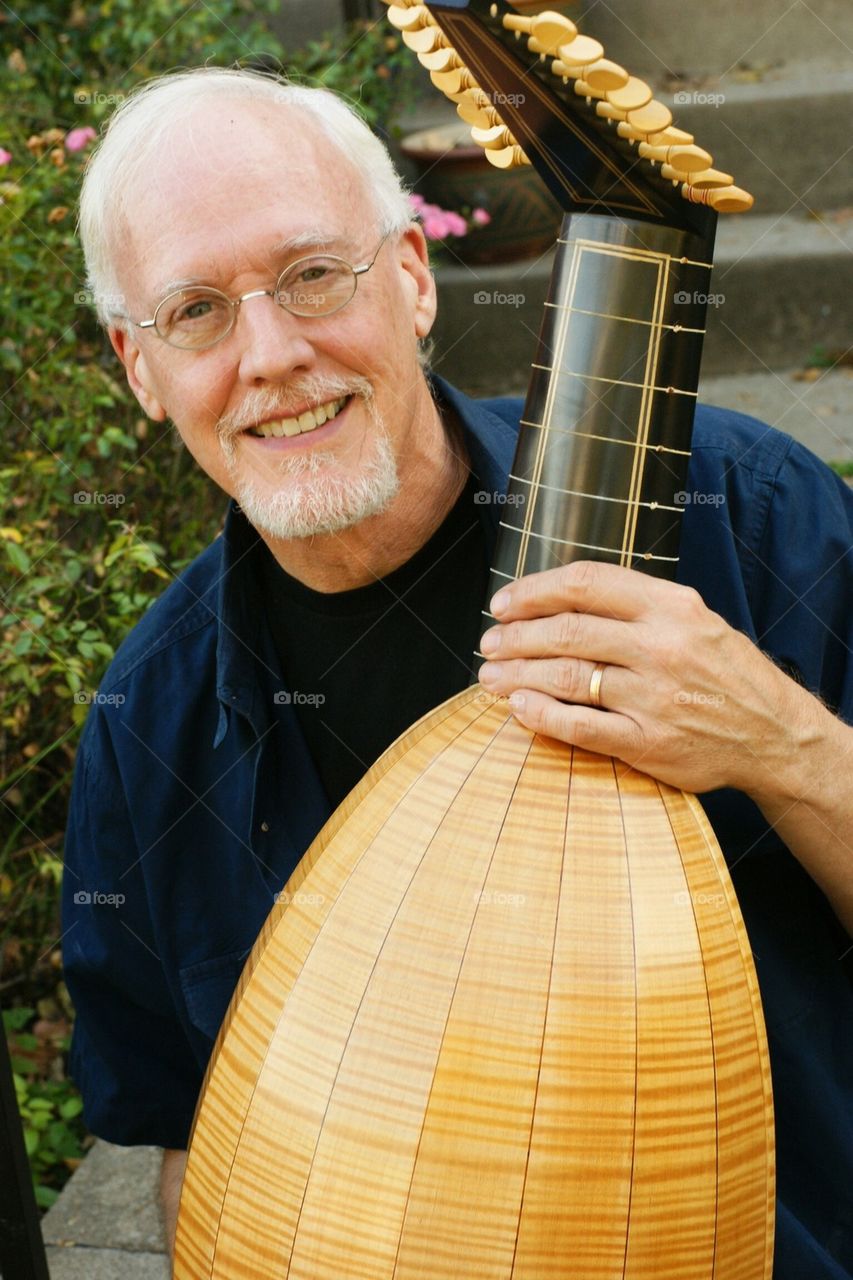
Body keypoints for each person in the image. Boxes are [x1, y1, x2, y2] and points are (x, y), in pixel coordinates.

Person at [62, 66, 853, 1274]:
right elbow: (187, 1141)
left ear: (415, 281)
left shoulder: (743, 517)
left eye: (314, 274)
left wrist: (782, 744)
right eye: (197, 311)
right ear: (139, 367)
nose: (271, 352)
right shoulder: (148, 726)